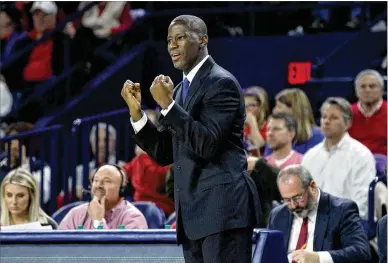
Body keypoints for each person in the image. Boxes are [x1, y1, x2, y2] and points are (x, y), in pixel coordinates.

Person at [121, 14, 260, 263]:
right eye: (169, 40)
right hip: (194, 215)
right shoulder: (179, 89)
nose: (172, 46)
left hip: (223, 211)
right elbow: (165, 152)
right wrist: (137, 114)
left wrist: (168, 105)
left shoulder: (221, 83)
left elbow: (206, 144)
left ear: (203, 39)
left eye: (180, 38)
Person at [268, 164, 371, 263]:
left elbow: (361, 252)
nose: (293, 205)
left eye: (298, 198)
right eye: (287, 200)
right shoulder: (277, 215)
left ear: (312, 186)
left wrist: (319, 258)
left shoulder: (341, 210)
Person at [59, 164, 147, 230]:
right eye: (96, 180)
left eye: (107, 181)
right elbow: (58, 249)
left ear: (121, 190)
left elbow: (119, 253)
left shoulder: (133, 218)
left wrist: (98, 222)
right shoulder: (76, 214)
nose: (99, 185)